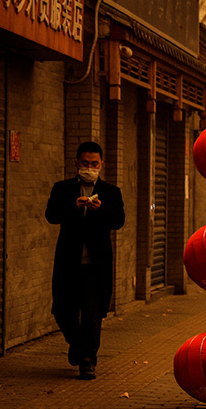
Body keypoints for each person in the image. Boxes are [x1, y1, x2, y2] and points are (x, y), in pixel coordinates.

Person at [45, 141, 125, 380]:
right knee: (63, 311)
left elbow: (118, 221)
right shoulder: (63, 189)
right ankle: (77, 344)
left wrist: (100, 210)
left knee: (92, 314)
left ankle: (87, 360)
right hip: (68, 263)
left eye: (94, 164)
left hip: (96, 265)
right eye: (84, 163)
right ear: (76, 163)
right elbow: (51, 215)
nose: (89, 167)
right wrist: (73, 207)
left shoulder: (111, 192)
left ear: (101, 164)